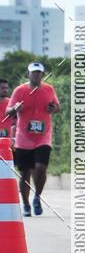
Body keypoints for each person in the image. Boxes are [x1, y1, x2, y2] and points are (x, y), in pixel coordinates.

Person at [6, 62, 61, 216]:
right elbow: (8, 111)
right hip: (23, 138)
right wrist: (15, 109)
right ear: (28, 74)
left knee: (41, 168)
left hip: (43, 137)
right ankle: (25, 204)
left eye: (39, 73)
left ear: (42, 75)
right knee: (25, 173)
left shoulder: (49, 89)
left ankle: (37, 197)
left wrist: (53, 108)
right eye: (33, 73)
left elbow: (57, 106)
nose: (36, 75)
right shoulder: (20, 90)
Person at [0, 78, 15, 143]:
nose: (5, 90)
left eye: (6, 88)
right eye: (3, 88)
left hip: (7, 142)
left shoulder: (11, 103)